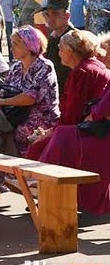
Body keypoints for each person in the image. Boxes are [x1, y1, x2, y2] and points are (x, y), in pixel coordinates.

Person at [0, 26, 59, 159]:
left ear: (29, 45)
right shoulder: (16, 68)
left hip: (40, 118)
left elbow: (31, 97)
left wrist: (3, 102)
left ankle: (8, 171)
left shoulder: (45, 67)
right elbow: (4, 90)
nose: (12, 49)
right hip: (14, 115)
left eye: (16, 44)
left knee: (17, 131)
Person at [36, 63, 110, 214]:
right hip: (101, 127)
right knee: (62, 135)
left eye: (109, 51)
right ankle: (46, 185)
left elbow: (103, 108)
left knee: (64, 137)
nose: (105, 55)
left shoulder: (83, 71)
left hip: (105, 132)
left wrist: (95, 114)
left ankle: (43, 183)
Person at [27, 29, 110, 161]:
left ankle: (31, 180)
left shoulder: (82, 72)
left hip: (86, 131)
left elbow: (73, 113)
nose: (58, 51)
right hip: (89, 127)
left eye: (60, 47)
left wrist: (50, 132)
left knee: (37, 146)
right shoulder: (92, 66)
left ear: (69, 51)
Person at [39, 0, 75, 95]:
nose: (50, 19)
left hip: (67, 93)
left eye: (55, 14)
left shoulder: (74, 39)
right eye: (47, 14)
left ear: (67, 16)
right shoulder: (52, 37)